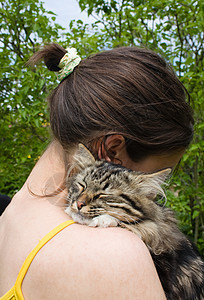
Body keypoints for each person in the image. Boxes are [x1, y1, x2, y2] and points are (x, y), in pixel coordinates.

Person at [0, 44, 194, 300]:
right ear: (112, 149)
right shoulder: (114, 254)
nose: (153, 198)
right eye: (155, 175)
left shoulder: (9, 213)